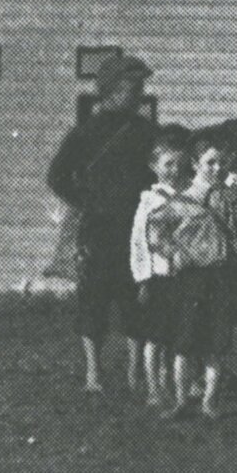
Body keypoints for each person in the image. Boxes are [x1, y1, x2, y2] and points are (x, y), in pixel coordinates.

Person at [45, 52, 158, 395]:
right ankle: (93, 375)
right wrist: (88, 202)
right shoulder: (87, 132)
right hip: (98, 229)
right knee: (93, 300)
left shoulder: (146, 131)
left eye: (140, 86)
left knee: (137, 299)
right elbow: (57, 176)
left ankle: (135, 372)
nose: (138, 92)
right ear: (110, 89)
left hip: (136, 227)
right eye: (131, 86)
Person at [150, 127, 237, 419]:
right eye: (211, 162)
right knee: (184, 342)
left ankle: (210, 402)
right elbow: (155, 228)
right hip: (190, 280)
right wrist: (171, 252)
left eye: (223, 162)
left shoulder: (227, 198)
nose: (218, 168)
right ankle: (180, 401)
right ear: (196, 164)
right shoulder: (184, 199)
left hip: (222, 276)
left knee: (216, 342)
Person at [129, 125, 192, 408]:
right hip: (157, 277)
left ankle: (173, 383)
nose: (175, 170)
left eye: (180, 163)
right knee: (154, 336)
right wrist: (142, 279)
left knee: (175, 334)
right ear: (154, 166)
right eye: (168, 164)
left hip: (182, 276)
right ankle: (153, 387)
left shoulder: (188, 197)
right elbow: (139, 243)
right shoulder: (151, 201)